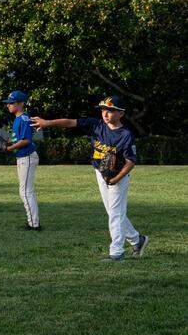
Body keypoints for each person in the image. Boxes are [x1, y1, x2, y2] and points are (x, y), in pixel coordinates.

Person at [32, 96, 148, 261]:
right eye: (103, 110)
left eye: (110, 110)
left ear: (121, 113)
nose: (105, 113)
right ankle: (137, 240)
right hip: (100, 172)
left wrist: (116, 179)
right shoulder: (96, 125)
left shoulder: (125, 135)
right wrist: (47, 123)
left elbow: (130, 162)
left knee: (115, 213)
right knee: (113, 212)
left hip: (118, 176)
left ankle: (117, 252)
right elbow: (70, 122)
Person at [2, 90, 41, 230]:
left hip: (27, 157)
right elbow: (18, 138)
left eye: (11, 103)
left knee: (25, 191)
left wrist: (10, 148)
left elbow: (25, 140)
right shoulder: (18, 118)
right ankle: (33, 221)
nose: (9, 105)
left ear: (20, 104)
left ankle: (34, 224)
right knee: (26, 190)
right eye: (8, 103)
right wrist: (9, 142)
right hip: (24, 157)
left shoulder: (23, 118)